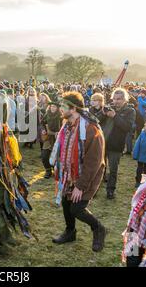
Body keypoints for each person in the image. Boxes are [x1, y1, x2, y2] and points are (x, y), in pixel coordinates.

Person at [50, 92, 107, 252]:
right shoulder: (67, 125)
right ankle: (70, 232)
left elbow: (94, 162)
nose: (60, 109)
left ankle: (98, 228)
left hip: (87, 176)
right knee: (66, 203)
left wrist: (80, 186)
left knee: (77, 208)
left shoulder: (91, 129)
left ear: (73, 108)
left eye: (63, 106)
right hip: (68, 175)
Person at [105, 88, 136, 199]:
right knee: (100, 168)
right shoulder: (108, 108)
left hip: (116, 144)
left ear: (125, 99)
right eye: (115, 99)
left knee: (113, 169)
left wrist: (115, 116)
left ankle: (110, 190)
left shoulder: (130, 111)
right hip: (104, 142)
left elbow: (127, 127)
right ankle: (94, 189)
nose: (116, 101)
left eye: (119, 99)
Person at [40, 102, 61, 179]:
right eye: (51, 106)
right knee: (44, 156)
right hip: (48, 138)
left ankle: (56, 170)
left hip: (58, 139)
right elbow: (42, 123)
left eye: (54, 107)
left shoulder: (61, 116)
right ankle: (48, 170)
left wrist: (59, 132)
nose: (52, 108)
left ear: (57, 108)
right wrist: (43, 130)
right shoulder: (47, 114)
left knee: (57, 156)